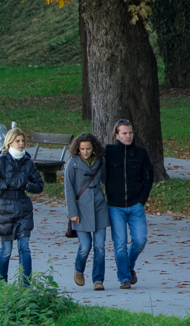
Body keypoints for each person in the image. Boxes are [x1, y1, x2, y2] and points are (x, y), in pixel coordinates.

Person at [0, 128, 44, 286]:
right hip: (5, 210)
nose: (21, 143)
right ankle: (1, 285)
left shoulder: (28, 162)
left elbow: (39, 185)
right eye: (18, 141)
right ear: (9, 142)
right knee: (6, 251)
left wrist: (27, 185)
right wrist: (6, 185)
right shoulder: (0, 161)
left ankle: (25, 286)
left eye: (23, 140)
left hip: (23, 207)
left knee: (25, 248)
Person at [105, 119, 155, 290]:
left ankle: (129, 265)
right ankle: (124, 278)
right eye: (124, 133)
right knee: (120, 244)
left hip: (135, 205)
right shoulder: (108, 152)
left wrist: (142, 200)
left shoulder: (141, 153)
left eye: (130, 133)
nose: (128, 136)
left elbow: (148, 178)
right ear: (117, 135)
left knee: (140, 240)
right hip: (115, 206)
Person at [64, 132, 109, 291]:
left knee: (100, 247)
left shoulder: (99, 161)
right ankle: (79, 269)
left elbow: (106, 180)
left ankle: (98, 280)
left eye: (88, 148)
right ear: (77, 148)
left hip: (99, 207)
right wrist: (72, 213)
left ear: (93, 148)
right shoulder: (73, 163)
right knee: (85, 246)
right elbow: (68, 189)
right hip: (80, 210)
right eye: (82, 149)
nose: (85, 152)